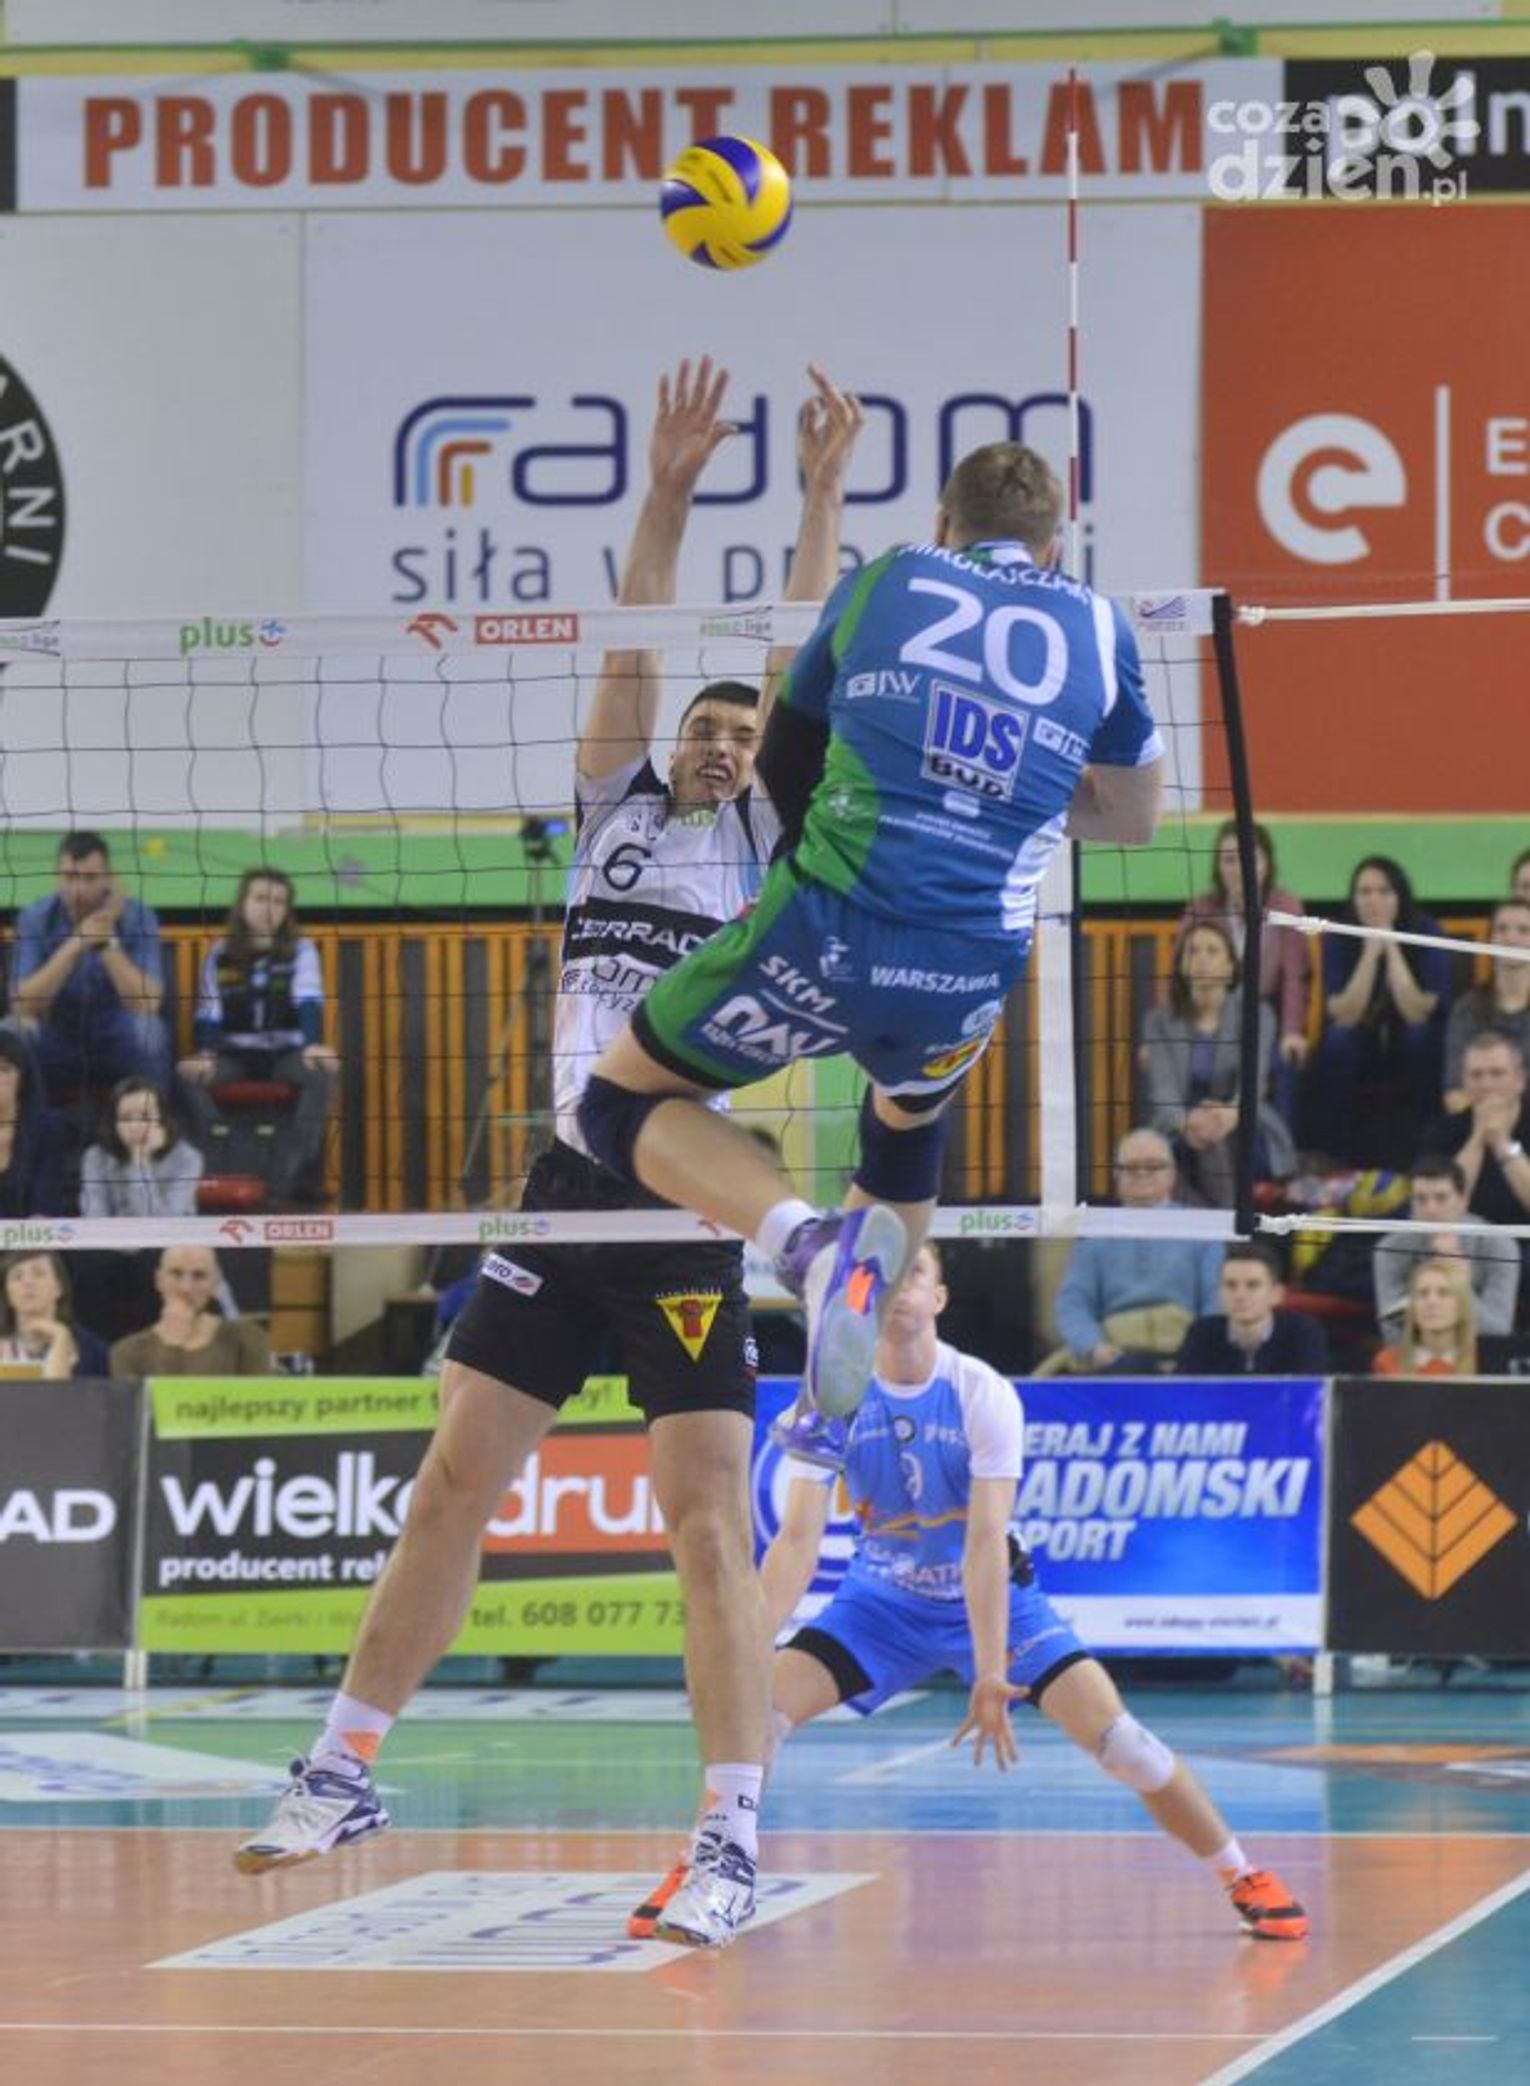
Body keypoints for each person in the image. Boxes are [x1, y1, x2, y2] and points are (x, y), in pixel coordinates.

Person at [232, 357, 865, 1950]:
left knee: (703, 1524)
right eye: (703, 726)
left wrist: (816, 491)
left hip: (685, 1185)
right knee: (453, 1475)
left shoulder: (763, 843)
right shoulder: (613, 816)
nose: (719, 741)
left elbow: (798, 653)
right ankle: (343, 1764)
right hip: (567, 1181)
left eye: (739, 730)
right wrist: (665, 486)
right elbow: (633, 640)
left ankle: (729, 1835)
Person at [580, 437, 1164, 1446]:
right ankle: (832, 1410)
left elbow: (786, 754)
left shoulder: (885, 580)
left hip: (828, 927)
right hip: (968, 966)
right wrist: (1005, 792)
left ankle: (803, 1243)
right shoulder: (1100, 625)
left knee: (614, 1103)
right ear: (1053, 546)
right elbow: (1134, 819)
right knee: (906, 1133)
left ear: (943, 524)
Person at [630, 1244, 1308, 1946]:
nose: (900, 1289)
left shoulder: (980, 1391)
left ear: (940, 1297)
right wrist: (744, 1653)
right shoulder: (832, 1394)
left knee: (1125, 1746)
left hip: (995, 1605)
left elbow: (985, 1541)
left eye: (915, 1275)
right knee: (754, 1719)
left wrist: (989, 1671)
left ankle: (1242, 1873)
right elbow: (797, 1540)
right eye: (886, 1278)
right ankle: (702, 1868)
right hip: (879, 1607)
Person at [179, 867, 340, 1204]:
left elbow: (308, 999)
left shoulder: (301, 950)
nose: (270, 908)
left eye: (279, 902)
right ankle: (218, 1165)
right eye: (261, 898)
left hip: (285, 1055)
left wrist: (312, 1045)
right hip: (234, 1056)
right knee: (186, 1077)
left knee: (322, 1072)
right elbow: (209, 1010)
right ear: (243, 904)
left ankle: (288, 1179)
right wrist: (205, 1054)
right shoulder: (220, 953)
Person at [7, 831, 170, 1107]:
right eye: (70, 877)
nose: (78, 889)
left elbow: (148, 1003)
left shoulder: (139, 917)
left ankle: (154, 1127)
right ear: (56, 877)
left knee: (149, 1031)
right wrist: (75, 944)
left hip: (117, 1034)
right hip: (59, 1035)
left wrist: (107, 943)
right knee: (13, 1031)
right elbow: (21, 1004)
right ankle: (26, 1129)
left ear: (108, 879)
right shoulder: (35, 918)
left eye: (90, 878)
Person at [1140, 919, 1295, 1208]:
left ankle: (1220, 1220)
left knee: (1215, 1141)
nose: (1201, 959)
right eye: (1193, 951)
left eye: (1212, 951)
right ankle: (1228, 1219)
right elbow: (1163, 1090)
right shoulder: (1158, 1021)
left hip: (1244, 1118)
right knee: (1184, 1147)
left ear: (1230, 966)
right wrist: (1187, 1122)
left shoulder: (1257, 1013)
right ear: (1181, 965)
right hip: (1180, 1124)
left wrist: (1229, 1115)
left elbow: (1254, 1081)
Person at [1044, 1127, 1223, 1372]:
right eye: (1130, 1167)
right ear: (1116, 1175)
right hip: (1115, 1353)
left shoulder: (1202, 1229)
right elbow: (1073, 1303)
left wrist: (1202, 1350)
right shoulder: (1094, 1233)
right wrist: (1093, 1346)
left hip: (1185, 1349)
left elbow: (1215, 1300)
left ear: (1172, 1174)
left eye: (1153, 1166)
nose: (1141, 1174)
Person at [1307, 855, 1446, 1167]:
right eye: (1364, 892)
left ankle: (1428, 1155)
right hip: (1362, 1043)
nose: (1373, 900)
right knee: (1337, 1041)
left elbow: (1417, 1013)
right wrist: (1370, 954)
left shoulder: (1427, 930)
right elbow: (1343, 1014)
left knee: (1420, 1037)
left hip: (1410, 1043)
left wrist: (1391, 944)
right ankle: (1334, 1159)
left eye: (1384, 891)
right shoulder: (1338, 935)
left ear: (1400, 896)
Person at [1175, 819, 1310, 1111]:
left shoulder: (1285, 907)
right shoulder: (1201, 908)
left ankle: (1276, 1138)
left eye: (1249, 858)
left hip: (1266, 1013)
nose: (1239, 868)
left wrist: (1291, 1031)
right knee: (1182, 1058)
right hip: (1209, 1012)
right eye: (1229, 860)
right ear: (1218, 867)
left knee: (1284, 1062)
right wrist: (1164, 1031)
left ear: (1266, 863)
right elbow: (1177, 973)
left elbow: (1294, 978)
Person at [1373, 1155, 1518, 1345]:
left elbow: (1497, 1333)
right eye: (1421, 1199)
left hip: (1479, 1354)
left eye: (1441, 1198)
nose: (1431, 1209)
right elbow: (1393, 1335)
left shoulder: (1499, 1246)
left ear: (1463, 1201)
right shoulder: (1390, 1249)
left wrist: (1461, 1288)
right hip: (1416, 1355)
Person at [1418, 1030, 1530, 1228]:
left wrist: (1502, 1142)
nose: (1486, 1084)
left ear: (1520, 1080)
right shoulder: (1441, 1132)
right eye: (1476, 1075)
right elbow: (1440, 1212)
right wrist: (1477, 1138)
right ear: (1464, 1081)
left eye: (1497, 1073)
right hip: (1464, 1241)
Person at [108, 1245, 271, 1379]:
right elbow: (144, 1407)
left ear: (215, 1282)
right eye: (176, 1274)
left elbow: (259, 1403)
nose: (185, 1288)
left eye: (199, 1276)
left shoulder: (247, 1338)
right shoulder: (127, 1352)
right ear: (159, 1280)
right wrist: (171, 1348)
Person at [1175, 1242, 1329, 1376]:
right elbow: (1184, 1393)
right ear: (1218, 1292)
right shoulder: (1202, 1333)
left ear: (1276, 1294)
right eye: (1230, 1285)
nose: (1240, 1295)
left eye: (1253, 1285)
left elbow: (1310, 1394)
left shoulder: (1302, 1333)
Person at [1442, 899, 1530, 1111]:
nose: (1511, 938)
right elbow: (1453, 1096)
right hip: (1479, 1120)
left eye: (1524, 930)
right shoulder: (1467, 1008)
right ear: (1490, 939)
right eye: (1502, 929)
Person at [81, 1077, 204, 1217]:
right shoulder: (95, 1157)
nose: (135, 1126)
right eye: (126, 1118)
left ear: (162, 1119)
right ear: (113, 1124)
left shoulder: (187, 1158)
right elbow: (93, 1217)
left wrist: (140, 1163)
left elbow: (163, 1222)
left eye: (145, 1117)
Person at [0, 1251, 110, 1379]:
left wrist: (61, 1336)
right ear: (6, 1294)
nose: (28, 1282)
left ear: (59, 1287)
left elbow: (56, 1389)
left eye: (39, 1274)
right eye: (17, 1277)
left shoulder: (92, 1349)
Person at [0, 1029, 69, 1218]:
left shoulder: (47, 1129)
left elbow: (47, 1201)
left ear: (22, 1077)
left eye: (4, 1069)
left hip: (32, 1232)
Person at [1373, 1257, 1478, 1377]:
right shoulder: (1387, 1361)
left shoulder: (1486, 1361)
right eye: (1423, 1294)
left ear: (1462, 1305)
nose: (1431, 1301)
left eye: (1444, 1293)